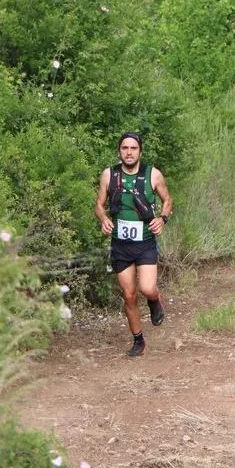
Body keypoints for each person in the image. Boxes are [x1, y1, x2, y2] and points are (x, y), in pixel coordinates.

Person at [95, 132, 173, 357]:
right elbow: (99, 205)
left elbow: (168, 200)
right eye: (124, 148)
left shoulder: (153, 174)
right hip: (121, 244)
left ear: (140, 151)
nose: (129, 152)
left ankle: (155, 299)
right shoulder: (109, 175)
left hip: (145, 243)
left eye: (133, 148)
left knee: (146, 288)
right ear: (119, 151)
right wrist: (104, 219)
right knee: (129, 295)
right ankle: (138, 340)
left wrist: (162, 218)